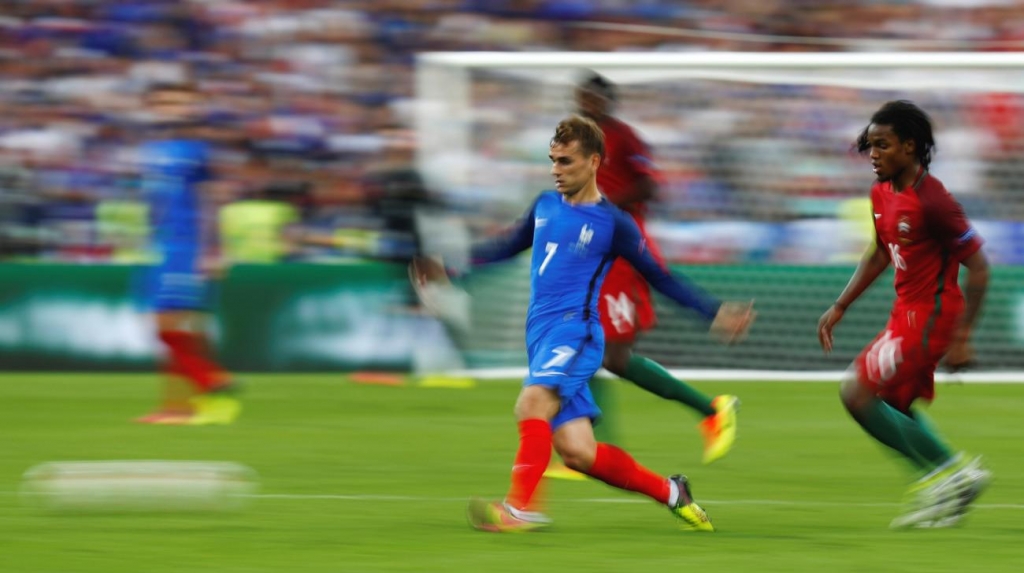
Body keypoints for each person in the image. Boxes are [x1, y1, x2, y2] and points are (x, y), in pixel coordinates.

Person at [443, 115, 755, 532]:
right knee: (578, 453)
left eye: (566, 161)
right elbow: (505, 246)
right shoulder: (544, 205)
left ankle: (519, 510)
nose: (556, 170)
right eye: (553, 160)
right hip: (541, 334)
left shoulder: (614, 224)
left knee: (531, 403)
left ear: (593, 162)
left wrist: (713, 311)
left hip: (577, 331)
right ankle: (671, 492)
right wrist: (457, 265)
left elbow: (660, 277)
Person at [546, 71, 738, 473]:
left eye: (595, 99)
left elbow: (651, 187)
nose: (588, 104)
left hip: (619, 254)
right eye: (583, 97)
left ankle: (707, 410)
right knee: (598, 353)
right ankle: (599, 448)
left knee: (604, 353)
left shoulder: (626, 138)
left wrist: (604, 203)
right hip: (590, 253)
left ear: (607, 102)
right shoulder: (575, 143)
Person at [817, 100, 991, 529]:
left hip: (930, 315)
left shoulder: (935, 202)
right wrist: (840, 305)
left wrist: (964, 335)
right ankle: (959, 476)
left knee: (856, 393)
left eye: (883, 145)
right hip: (905, 314)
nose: (873, 154)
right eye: (870, 145)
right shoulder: (881, 193)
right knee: (894, 405)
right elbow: (879, 252)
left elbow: (981, 266)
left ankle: (941, 480)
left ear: (910, 147)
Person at [134, 82, 241, 426]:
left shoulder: (196, 151)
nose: (170, 108)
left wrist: (214, 250)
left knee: (173, 326)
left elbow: (210, 199)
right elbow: (153, 204)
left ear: (191, 107)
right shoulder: (151, 150)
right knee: (167, 329)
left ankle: (209, 383)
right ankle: (182, 403)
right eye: (163, 101)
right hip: (160, 248)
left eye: (179, 102)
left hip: (187, 246)